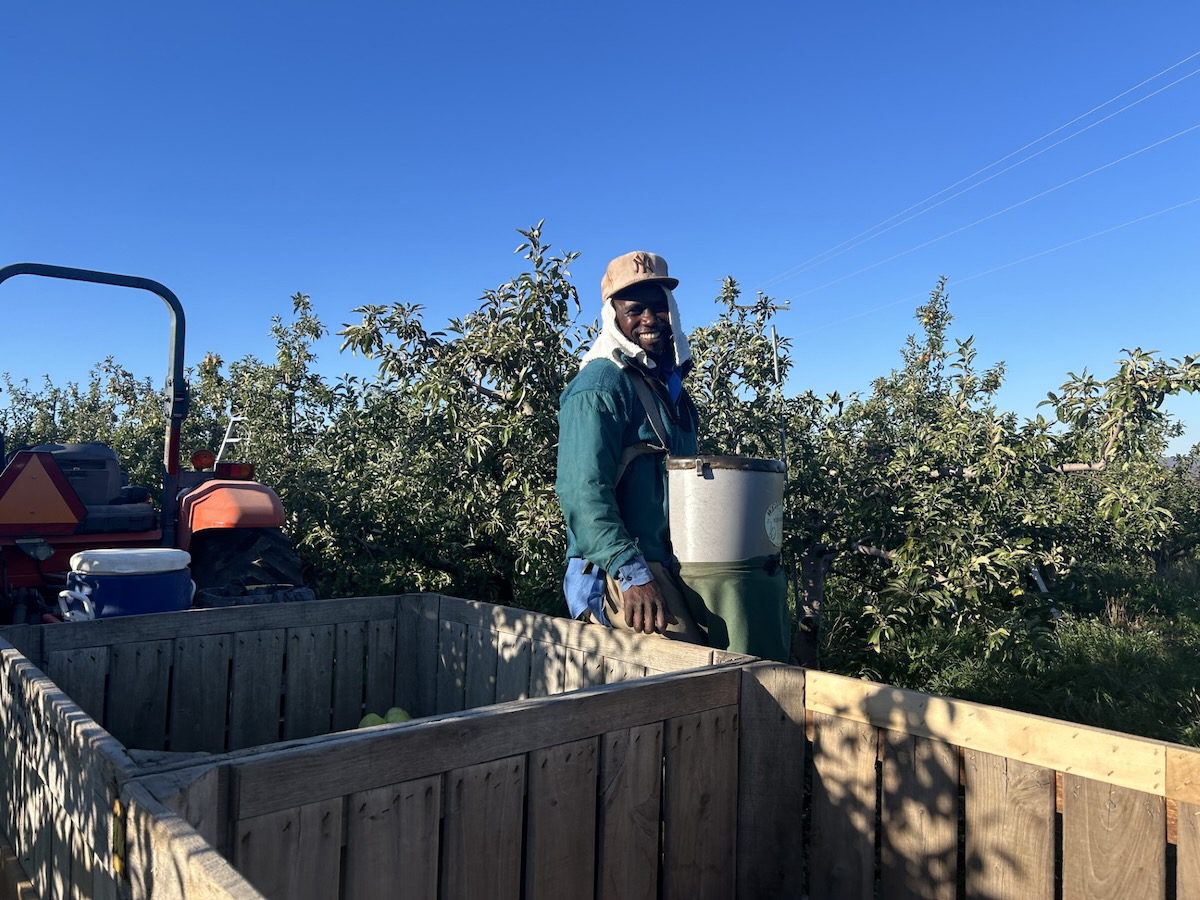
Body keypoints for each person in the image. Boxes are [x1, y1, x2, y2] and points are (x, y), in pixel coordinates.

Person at [555, 251, 706, 640]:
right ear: (614, 317)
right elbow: (582, 492)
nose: (650, 319)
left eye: (659, 307)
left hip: (670, 563)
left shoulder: (667, 387)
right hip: (621, 569)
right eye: (635, 310)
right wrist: (631, 573)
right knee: (691, 669)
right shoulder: (600, 387)